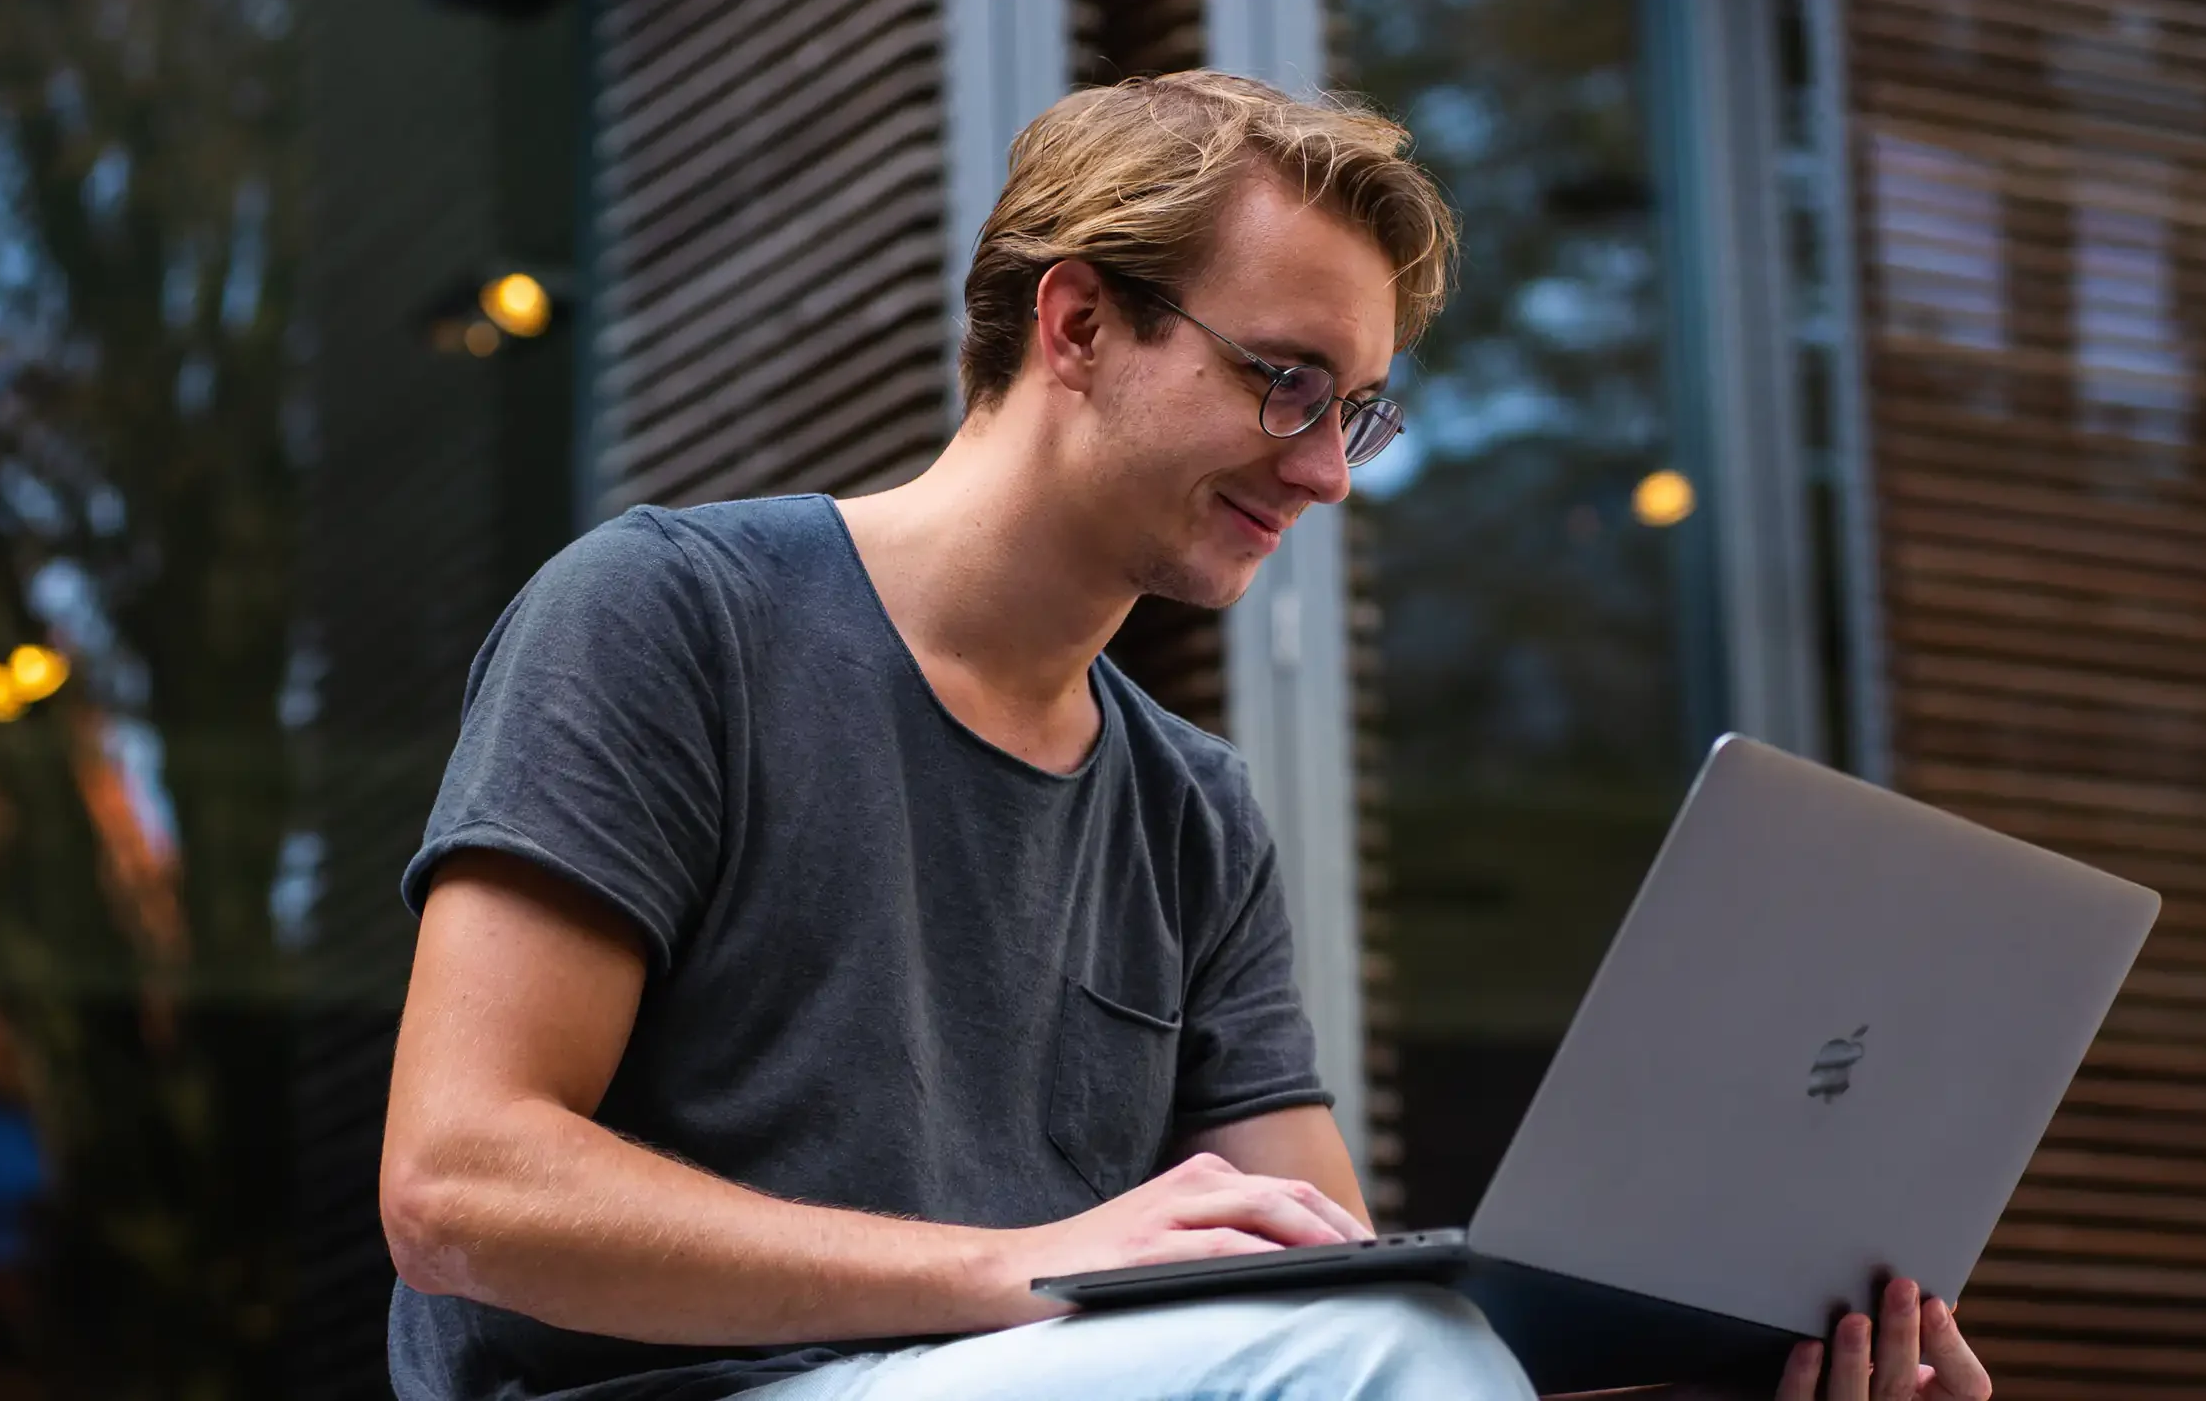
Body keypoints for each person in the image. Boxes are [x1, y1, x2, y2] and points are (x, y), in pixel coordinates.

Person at [377, 70, 1992, 1401]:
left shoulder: (1190, 808)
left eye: (1358, 409)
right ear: (1077, 325)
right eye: (1288, 382)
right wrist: (1002, 1268)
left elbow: (1340, 1288)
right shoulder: (672, 616)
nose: (1329, 472)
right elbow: (458, 1190)